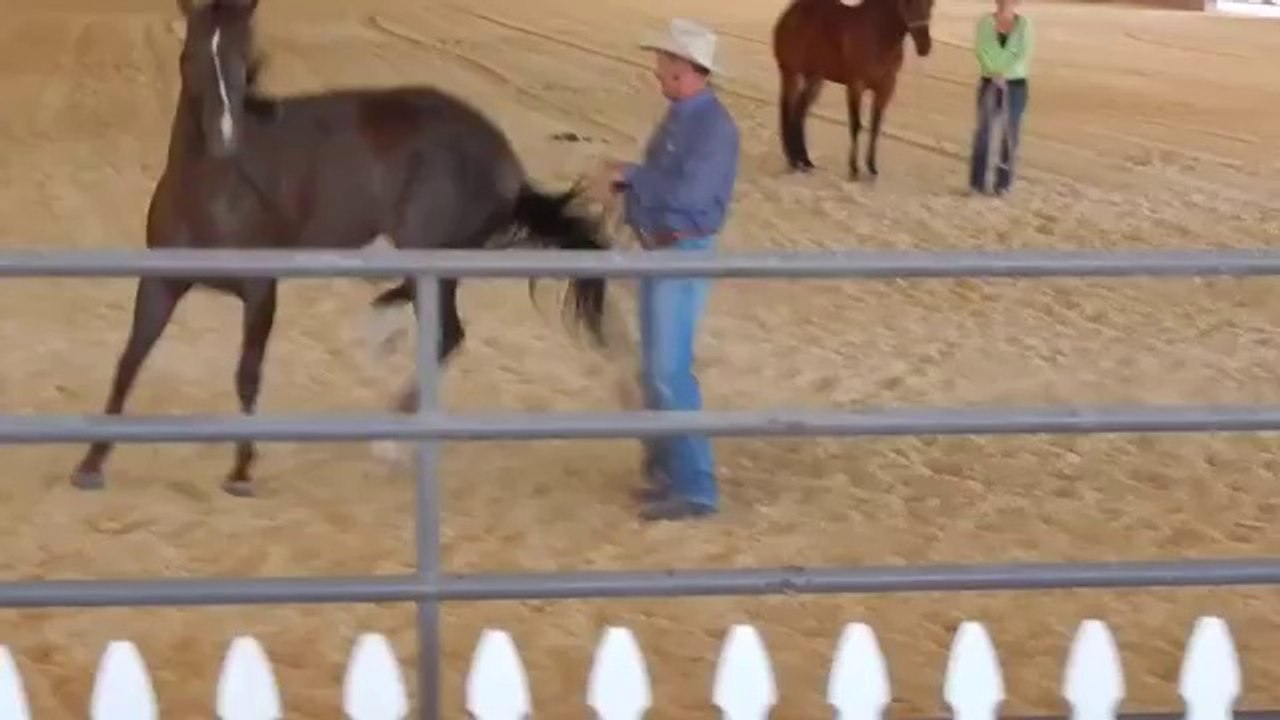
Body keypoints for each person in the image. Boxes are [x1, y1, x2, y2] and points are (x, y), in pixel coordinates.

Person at [588, 17, 740, 522]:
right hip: (663, 248)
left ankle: (695, 487)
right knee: (658, 370)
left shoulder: (713, 127)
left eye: (664, 62)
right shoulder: (685, 118)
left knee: (667, 370)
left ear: (684, 68)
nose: (657, 70)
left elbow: (689, 195)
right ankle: (672, 474)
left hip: (682, 250)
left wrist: (630, 177)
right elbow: (670, 186)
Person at [968, 0, 1034, 196]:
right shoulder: (985, 23)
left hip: (1015, 84)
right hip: (990, 81)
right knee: (983, 133)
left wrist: (1004, 73)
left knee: (1010, 134)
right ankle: (977, 183)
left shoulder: (1025, 25)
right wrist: (994, 73)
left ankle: (1003, 184)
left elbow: (1023, 53)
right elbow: (981, 50)